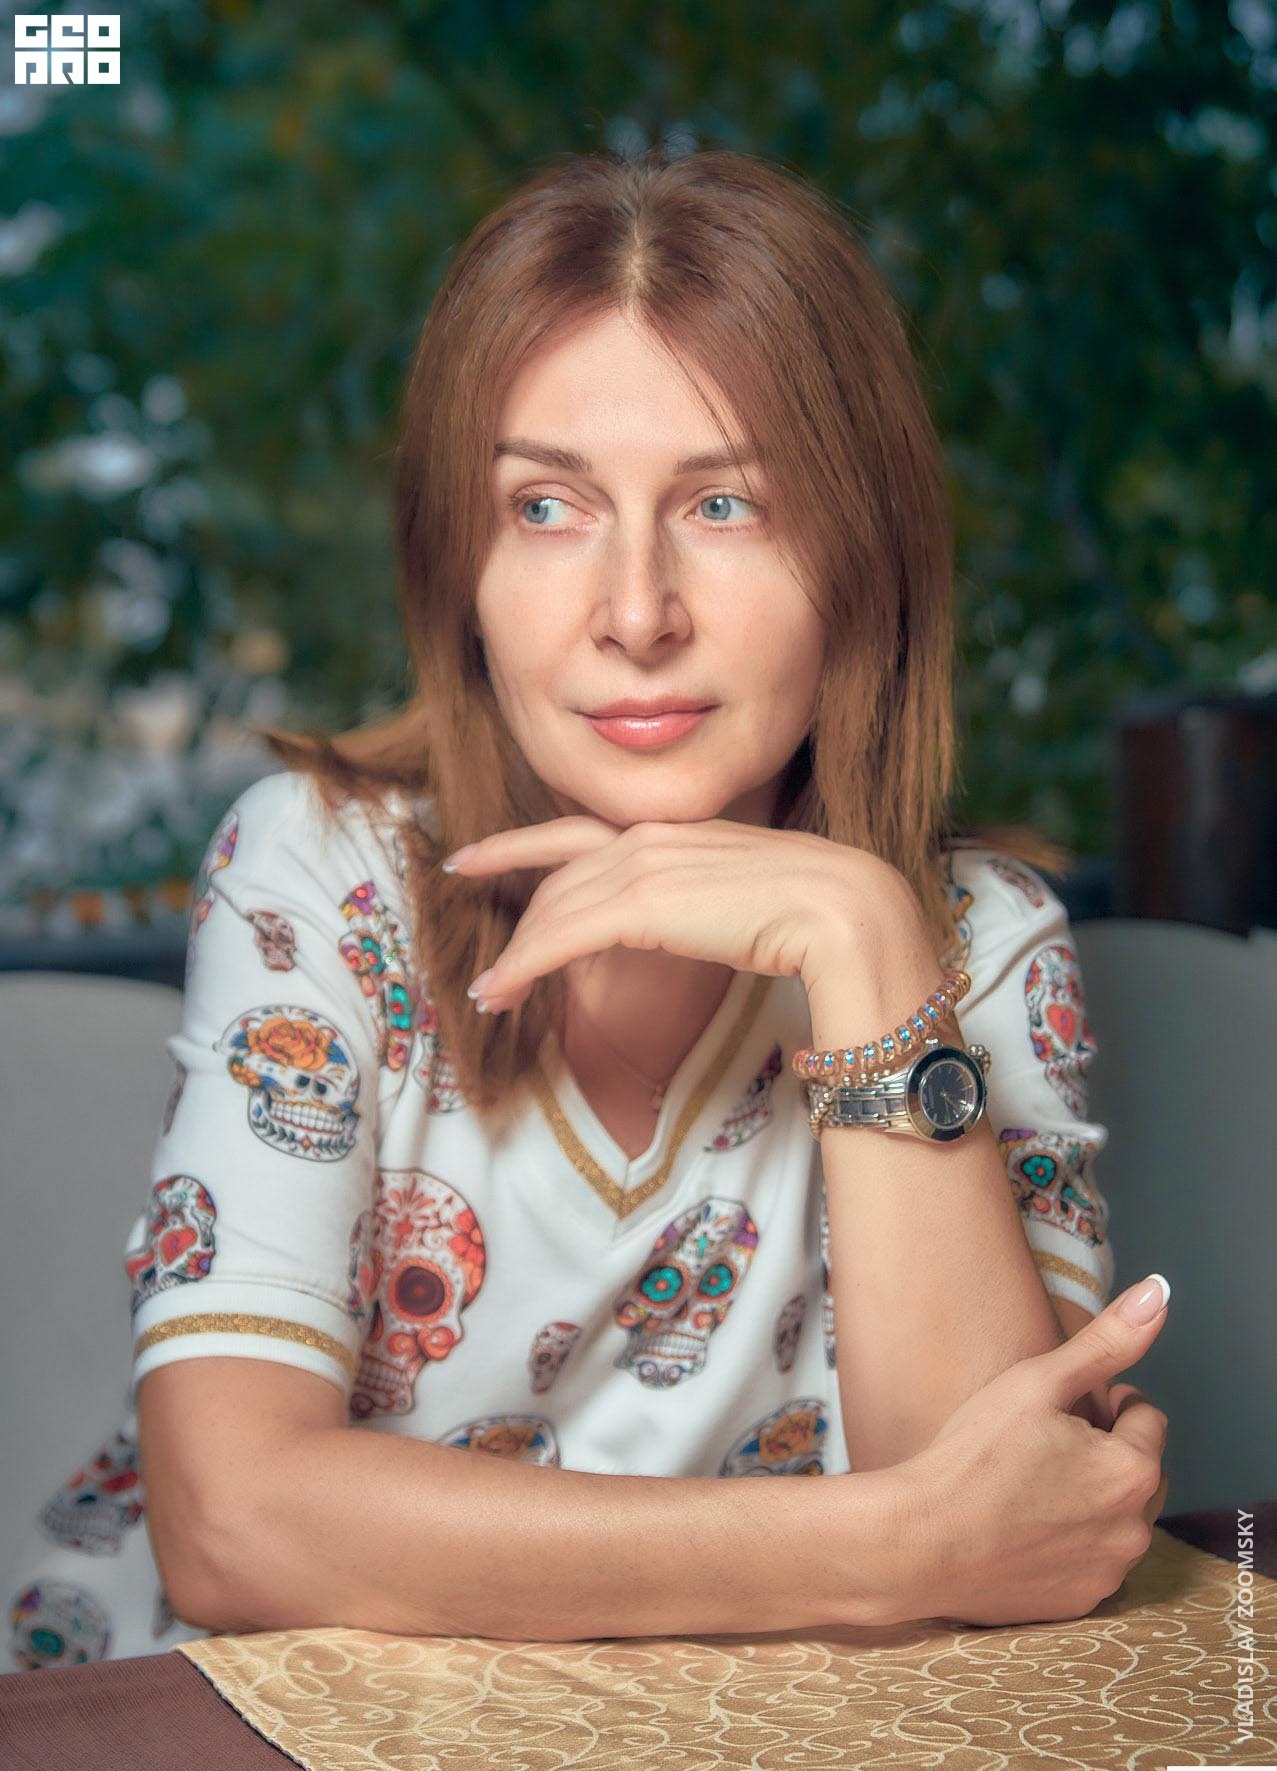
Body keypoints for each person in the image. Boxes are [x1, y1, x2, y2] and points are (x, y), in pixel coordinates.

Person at [5, 147, 1169, 1672]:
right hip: (210, 1735)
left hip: (700, 1768)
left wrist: (868, 947)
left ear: (862, 559)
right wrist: (884, 1546)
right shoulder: (319, 870)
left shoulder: (981, 942)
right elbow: (231, 1529)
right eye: (546, 506)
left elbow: (1006, 1566)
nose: (633, 614)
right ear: (459, 572)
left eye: (726, 503)